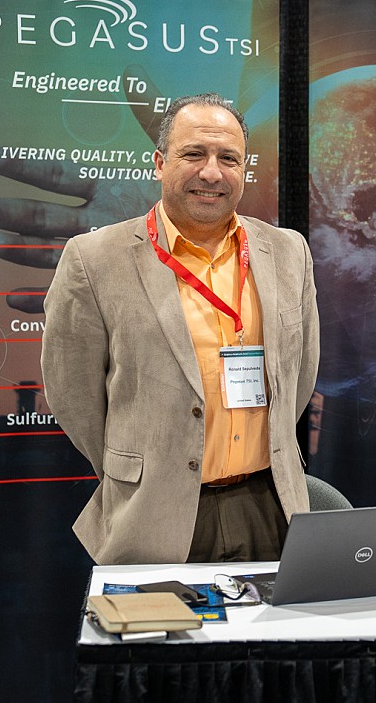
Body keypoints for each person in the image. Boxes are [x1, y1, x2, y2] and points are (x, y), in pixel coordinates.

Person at [42, 93, 319, 565]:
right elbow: (73, 395)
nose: (211, 173)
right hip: (152, 513)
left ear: (244, 169)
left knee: (275, 620)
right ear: (159, 163)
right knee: (154, 620)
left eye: (228, 158)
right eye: (194, 154)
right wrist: (140, 464)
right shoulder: (94, 260)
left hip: (270, 508)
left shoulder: (288, 252)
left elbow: (302, 374)